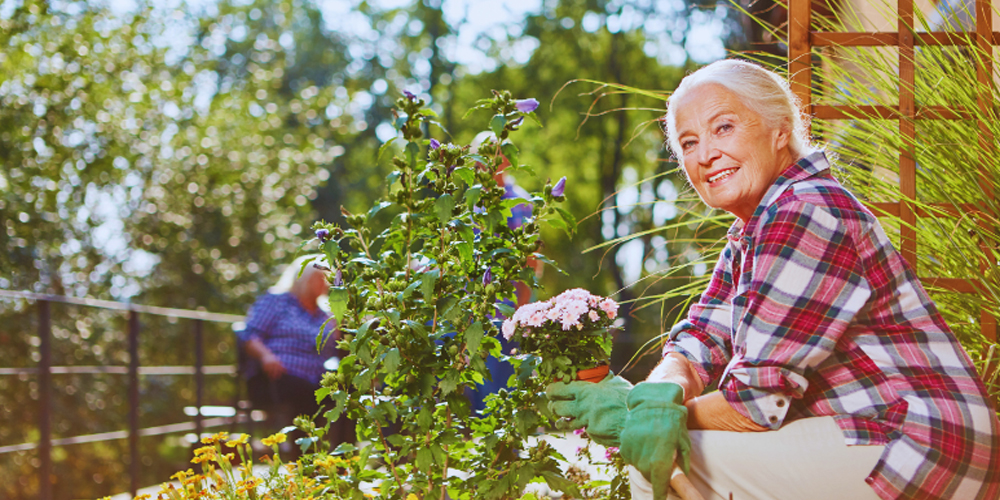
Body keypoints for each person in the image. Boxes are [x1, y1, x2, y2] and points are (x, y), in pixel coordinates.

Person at [546, 59, 1000, 500]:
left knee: (657, 463)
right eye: (688, 143)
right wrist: (656, 396)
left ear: (780, 129)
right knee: (666, 445)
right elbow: (699, 338)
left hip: (919, 440)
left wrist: (634, 419)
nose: (705, 154)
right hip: (876, 428)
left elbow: (754, 404)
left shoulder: (805, 210)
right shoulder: (754, 228)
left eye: (724, 127)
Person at [238, 255, 345, 446]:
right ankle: (304, 461)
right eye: (320, 278)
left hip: (316, 377)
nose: (325, 284)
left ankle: (346, 459)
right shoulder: (277, 301)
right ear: (303, 278)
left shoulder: (325, 314)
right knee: (306, 394)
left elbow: (334, 350)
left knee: (347, 393)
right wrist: (266, 356)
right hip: (277, 376)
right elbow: (249, 335)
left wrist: (339, 329)